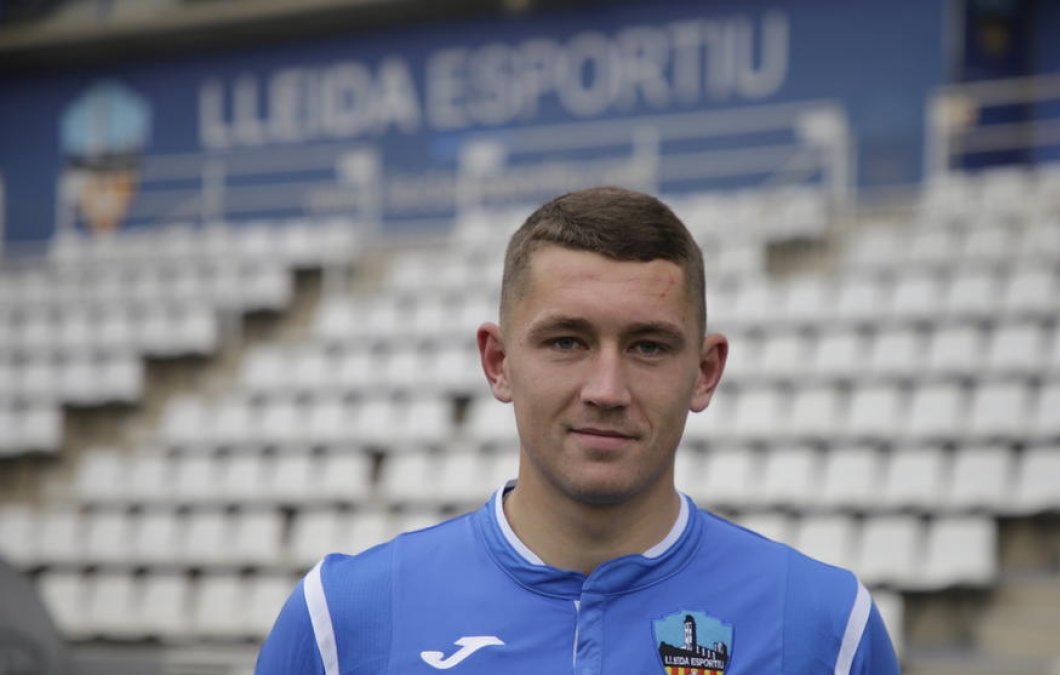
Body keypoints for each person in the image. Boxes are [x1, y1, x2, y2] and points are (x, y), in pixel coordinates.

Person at [256, 186, 900, 674]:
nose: (607, 391)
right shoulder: (341, 621)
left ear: (704, 373)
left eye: (649, 347)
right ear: (498, 362)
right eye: (567, 341)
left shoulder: (827, 628)